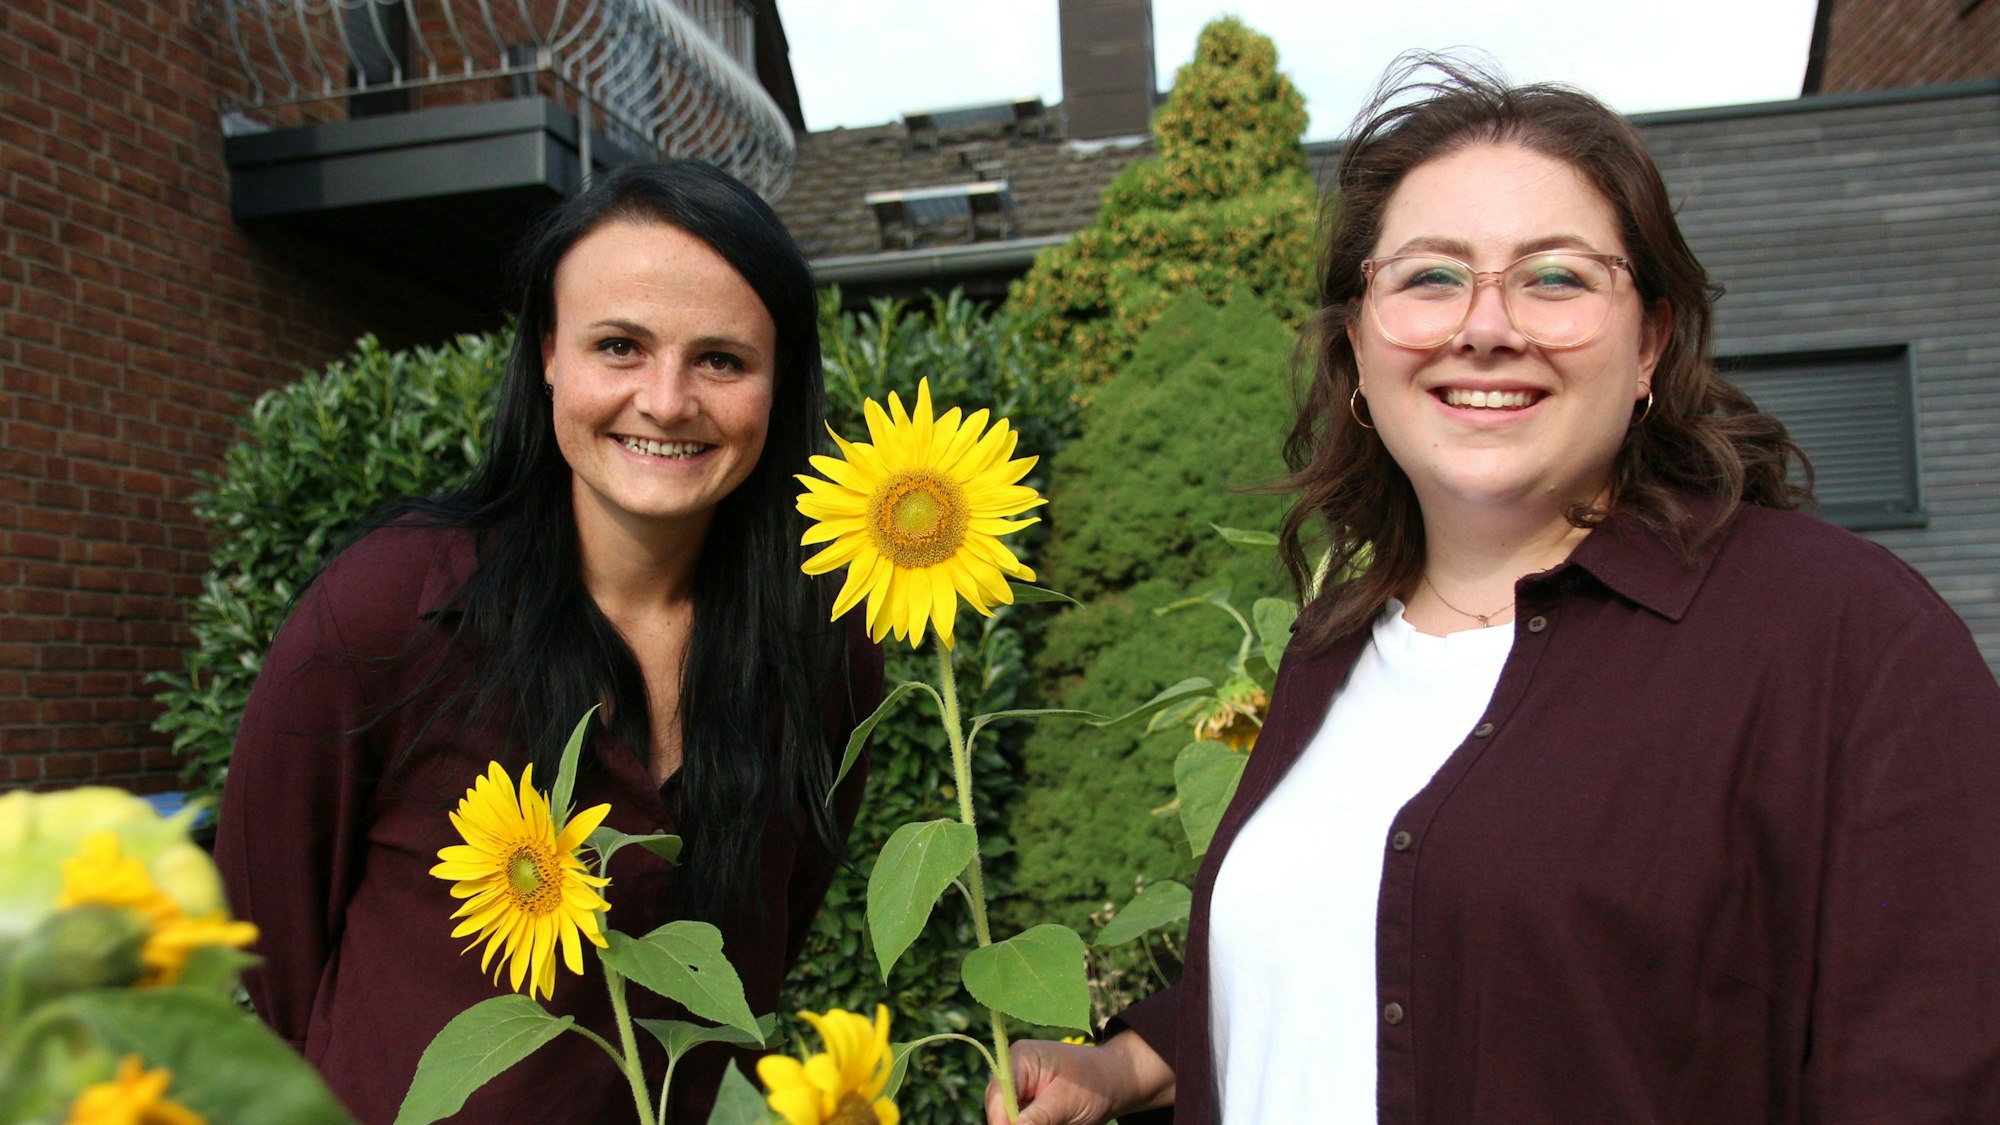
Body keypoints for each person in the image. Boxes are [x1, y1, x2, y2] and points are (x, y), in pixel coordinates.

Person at [989, 57, 2000, 1125]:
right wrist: (1126, 1064)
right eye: (1428, 277)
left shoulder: (1842, 640)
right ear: (1357, 349)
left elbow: (1929, 1075)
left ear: (1650, 338)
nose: (1485, 325)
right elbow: (1351, 949)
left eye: (1554, 277)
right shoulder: (1336, 643)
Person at [215, 161, 883, 1124]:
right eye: (620, 345)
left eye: (722, 360)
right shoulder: (389, 608)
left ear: (779, 382)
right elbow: (263, 937)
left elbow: (760, 954)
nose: (665, 399)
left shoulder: (825, 652)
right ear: (548, 355)